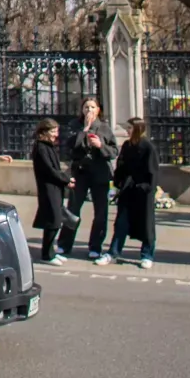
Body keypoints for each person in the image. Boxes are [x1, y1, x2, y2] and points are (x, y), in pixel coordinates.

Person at [58, 98, 115, 264]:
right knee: (73, 209)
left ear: (98, 110)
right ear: (81, 110)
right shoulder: (74, 125)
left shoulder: (105, 127)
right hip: (80, 173)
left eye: (92, 107)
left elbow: (113, 151)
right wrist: (85, 129)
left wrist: (100, 146)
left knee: (100, 213)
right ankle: (64, 244)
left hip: (100, 175)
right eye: (86, 107)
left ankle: (95, 247)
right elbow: (70, 146)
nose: (89, 110)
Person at [109, 117, 157, 268]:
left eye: (129, 128)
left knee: (146, 224)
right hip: (128, 190)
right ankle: (113, 252)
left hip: (142, 192)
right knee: (121, 222)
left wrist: (145, 187)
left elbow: (153, 172)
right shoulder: (127, 145)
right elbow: (121, 165)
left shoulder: (148, 147)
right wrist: (118, 182)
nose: (127, 131)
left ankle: (147, 254)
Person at [31, 118, 72, 263]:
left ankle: (50, 251)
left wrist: (65, 180)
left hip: (55, 187)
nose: (56, 134)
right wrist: (66, 180)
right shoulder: (41, 147)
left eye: (56, 131)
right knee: (53, 221)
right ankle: (47, 255)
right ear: (44, 132)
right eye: (53, 131)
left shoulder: (48, 146)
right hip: (48, 188)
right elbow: (49, 170)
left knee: (55, 220)